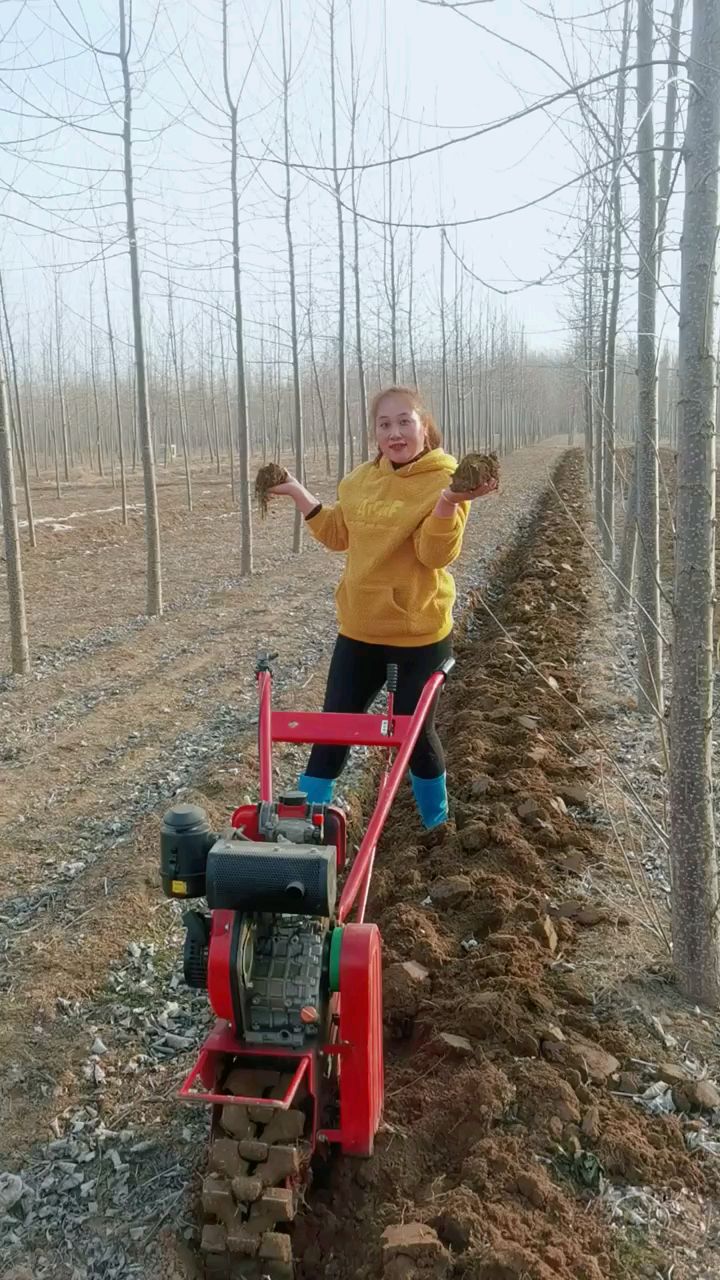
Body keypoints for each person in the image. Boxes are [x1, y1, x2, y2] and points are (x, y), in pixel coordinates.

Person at [269, 385, 497, 834]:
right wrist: (298, 492)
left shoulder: (446, 479)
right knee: (334, 726)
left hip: (418, 633)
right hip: (360, 628)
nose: (395, 433)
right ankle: (303, 831)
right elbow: (339, 533)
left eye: (404, 422)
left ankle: (437, 830)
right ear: (375, 434)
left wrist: (448, 504)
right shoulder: (359, 481)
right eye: (385, 424)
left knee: (415, 737)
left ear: (423, 427)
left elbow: (435, 556)